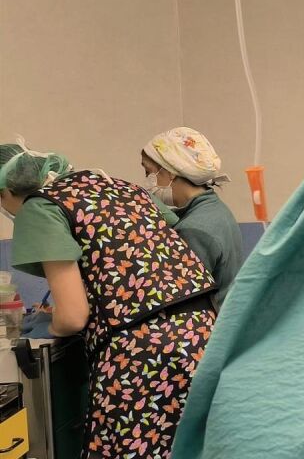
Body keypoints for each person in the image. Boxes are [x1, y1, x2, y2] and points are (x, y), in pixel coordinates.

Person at [0, 141, 216, 458]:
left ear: (7, 189)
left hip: (143, 352)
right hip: (201, 334)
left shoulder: (41, 207)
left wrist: (52, 326)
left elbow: (73, 316)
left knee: (131, 447)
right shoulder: (122, 188)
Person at [141, 127, 245, 310]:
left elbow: (178, 297)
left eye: (149, 172)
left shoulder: (193, 230)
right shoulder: (216, 209)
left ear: (171, 172)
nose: (147, 179)